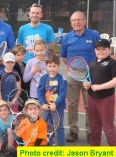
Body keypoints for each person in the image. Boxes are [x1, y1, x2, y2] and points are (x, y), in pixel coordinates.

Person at [60, 11, 100, 142]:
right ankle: (73, 131)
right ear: (71, 23)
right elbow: (64, 57)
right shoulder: (67, 37)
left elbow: (100, 53)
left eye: (79, 20)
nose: (76, 22)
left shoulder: (94, 35)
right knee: (72, 104)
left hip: (91, 76)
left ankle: (90, 132)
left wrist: (90, 70)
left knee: (90, 105)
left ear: (85, 21)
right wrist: (75, 70)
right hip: (73, 75)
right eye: (73, 20)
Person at [83, 39, 116, 146]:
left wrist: (100, 87)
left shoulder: (112, 63)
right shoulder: (91, 63)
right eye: (98, 49)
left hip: (106, 99)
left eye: (103, 49)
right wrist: (85, 84)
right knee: (94, 127)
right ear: (94, 50)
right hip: (92, 98)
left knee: (108, 127)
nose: (100, 51)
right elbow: (86, 79)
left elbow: (115, 81)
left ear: (109, 50)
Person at [37, 54, 67, 146]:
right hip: (46, 108)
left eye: (54, 66)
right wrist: (42, 103)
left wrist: (55, 104)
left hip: (57, 108)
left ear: (58, 66)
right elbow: (40, 92)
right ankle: (51, 144)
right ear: (46, 66)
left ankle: (61, 147)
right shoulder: (43, 78)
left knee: (59, 128)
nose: (52, 68)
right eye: (50, 66)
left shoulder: (62, 78)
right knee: (48, 127)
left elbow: (63, 94)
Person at [11, 44, 29, 111]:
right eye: (18, 55)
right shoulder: (14, 66)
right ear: (14, 56)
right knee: (19, 107)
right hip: (18, 90)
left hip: (25, 89)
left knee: (24, 106)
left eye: (22, 54)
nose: (21, 57)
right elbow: (19, 78)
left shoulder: (25, 65)